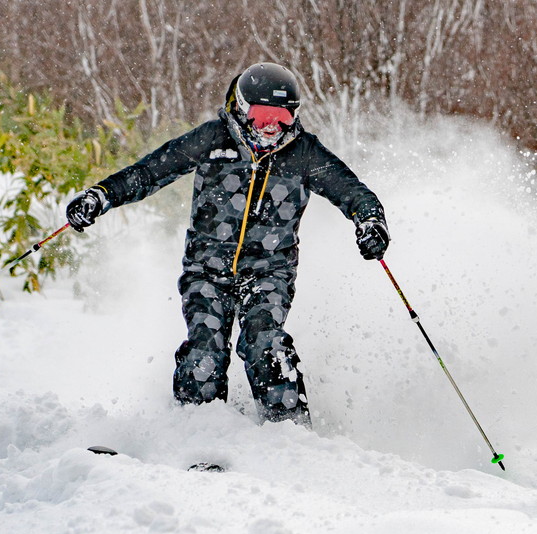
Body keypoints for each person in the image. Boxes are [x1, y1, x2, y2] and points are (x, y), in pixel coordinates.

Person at [66, 62, 389, 425]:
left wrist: (370, 222)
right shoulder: (212, 139)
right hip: (206, 270)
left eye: (282, 117)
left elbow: (354, 192)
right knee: (205, 349)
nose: (271, 127)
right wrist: (101, 195)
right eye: (262, 115)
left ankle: (290, 433)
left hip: (269, 273)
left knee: (265, 342)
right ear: (240, 107)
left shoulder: (304, 154)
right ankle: (197, 428)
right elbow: (150, 171)